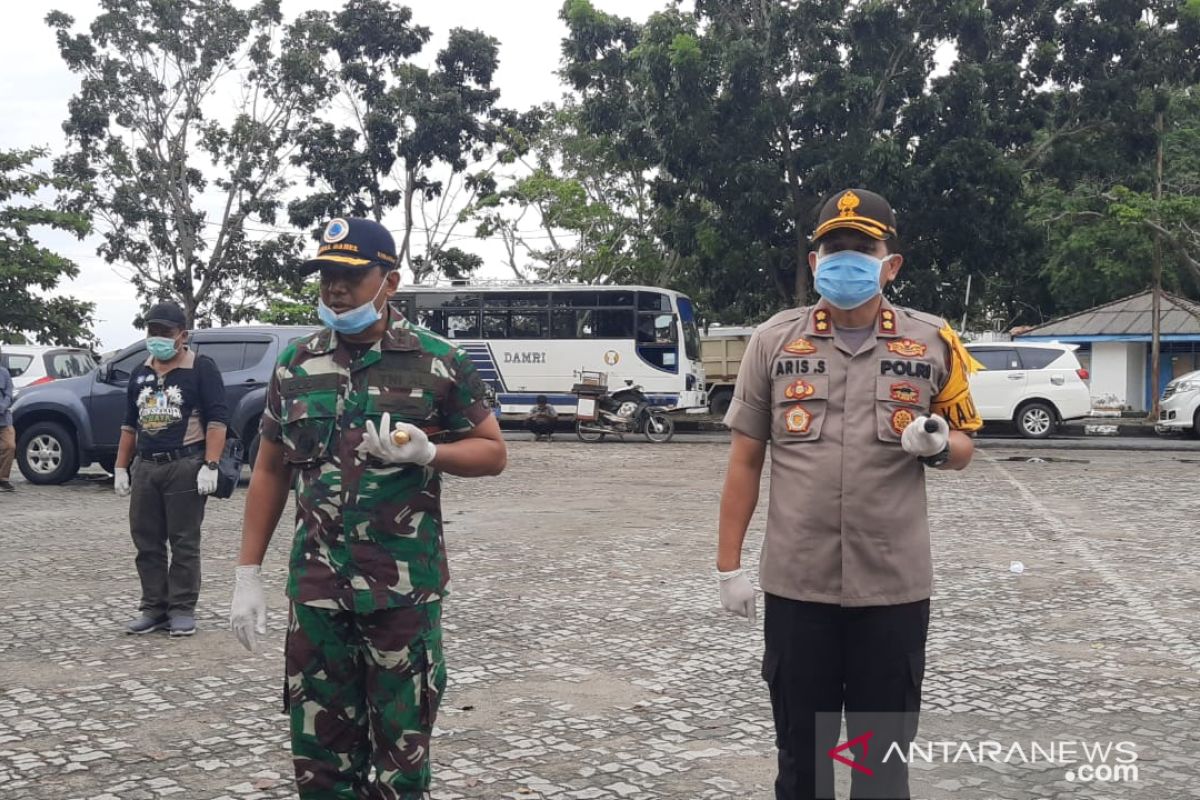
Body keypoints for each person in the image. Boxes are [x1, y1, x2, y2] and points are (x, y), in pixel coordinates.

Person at [716, 189, 982, 800]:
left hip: (892, 589)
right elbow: (744, 461)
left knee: (880, 771)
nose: (846, 260)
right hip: (797, 587)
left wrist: (937, 444)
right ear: (813, 263)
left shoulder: (933, 342)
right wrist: (728, 567)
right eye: (833, 248)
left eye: (863, 248)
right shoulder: (773, 342)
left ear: (891, 264)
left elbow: (965, 446)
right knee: (802, 765)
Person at [229, 217, 507, 798]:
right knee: (320, 763)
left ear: (390, 281)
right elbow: (270, 469)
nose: (335, 288)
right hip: (317, 597)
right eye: (327, 275)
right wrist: (246, 573)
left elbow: (492, 452)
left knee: (400, 763)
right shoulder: (297, 364)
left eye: (352, 276)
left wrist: (432, 451)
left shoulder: (438, 361)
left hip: (401, 595)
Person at [115, 301, 228, 637]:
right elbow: (128, 425)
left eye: (166, 332)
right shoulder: (140, 373)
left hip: (185, 464)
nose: (158, 338)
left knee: (184, 541)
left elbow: (218, 419)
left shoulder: (201, 369)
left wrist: (211, 464)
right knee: (146, 541)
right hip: (147, 466)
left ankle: (181, 608)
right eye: (153, 331)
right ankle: (153, 607)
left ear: (183, 335)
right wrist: (121, 467)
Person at [0, 347, 14, 492]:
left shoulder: (4, 373)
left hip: (4, 418)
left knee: (10, 446)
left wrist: (3, 405)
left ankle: (3, 479)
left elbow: (9, 393)